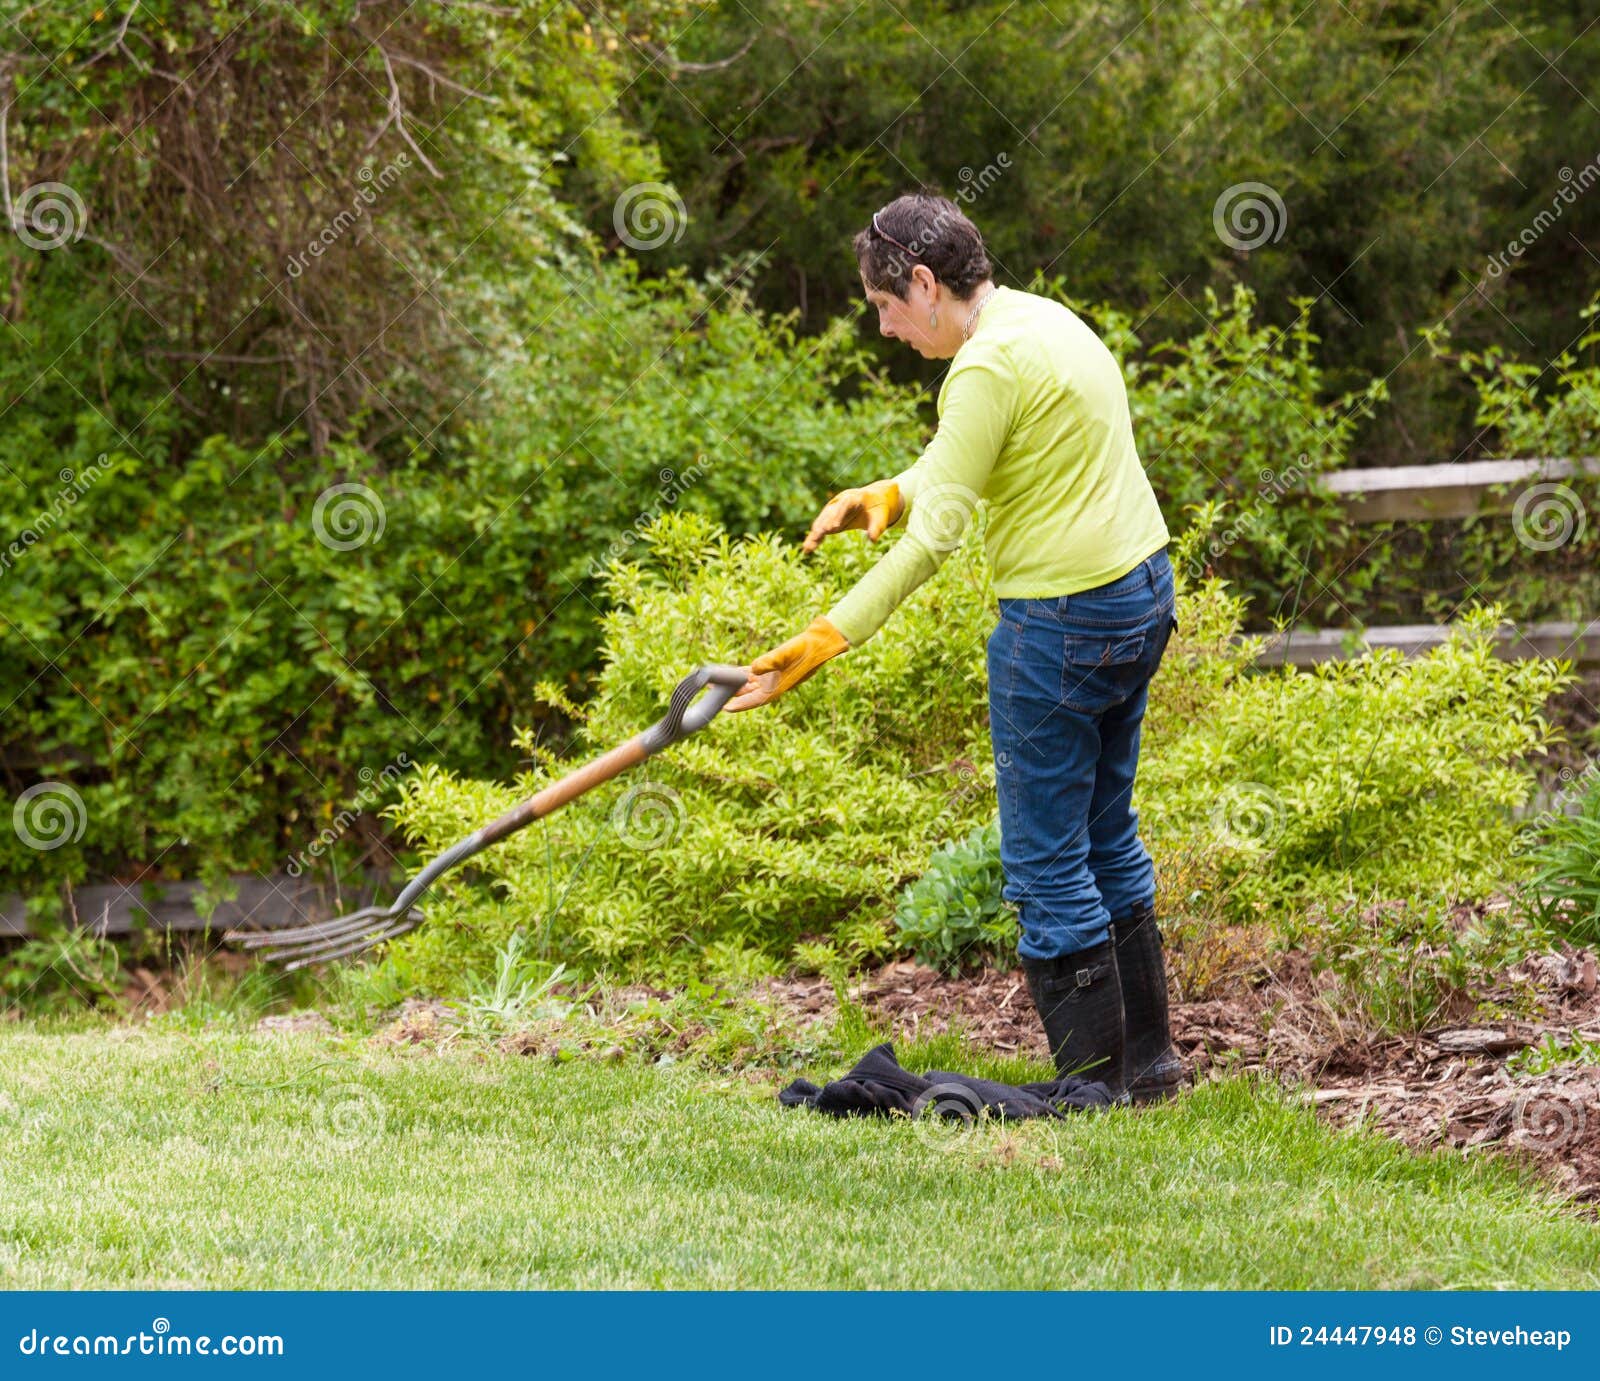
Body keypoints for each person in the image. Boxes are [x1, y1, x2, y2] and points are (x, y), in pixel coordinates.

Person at [725, 192, 1184, 1105]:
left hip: (1059, 630)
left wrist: (824, 639)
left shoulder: (980, 368)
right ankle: (1149, 1067)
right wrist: (889, 493)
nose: (887, 329)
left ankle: (1091, 1088)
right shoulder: (1043, 324)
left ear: (925, 284)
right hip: (1140, 596)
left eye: (885, 306)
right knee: (1106, 834)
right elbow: (966, 460)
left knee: (1047, 861)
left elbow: (938, 542)